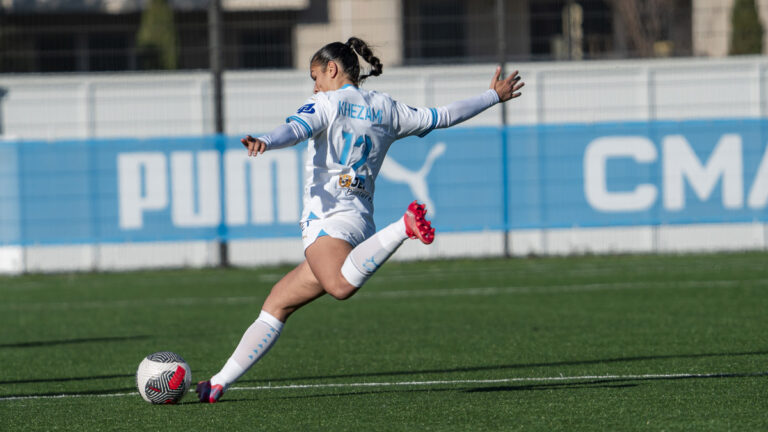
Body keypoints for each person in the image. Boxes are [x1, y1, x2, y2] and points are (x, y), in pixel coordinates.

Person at [196, 37, 524, 403]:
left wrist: (265, 141)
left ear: (331, 70)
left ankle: (403, 227)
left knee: (338, 286)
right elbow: (443, 116)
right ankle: (218, 383)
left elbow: (295, 129)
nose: (314, 85)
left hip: (327, 221)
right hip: (358, 224)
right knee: (277, 303)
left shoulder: (326, 102)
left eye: (315, 76)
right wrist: (492, 96)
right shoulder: (385, 107)